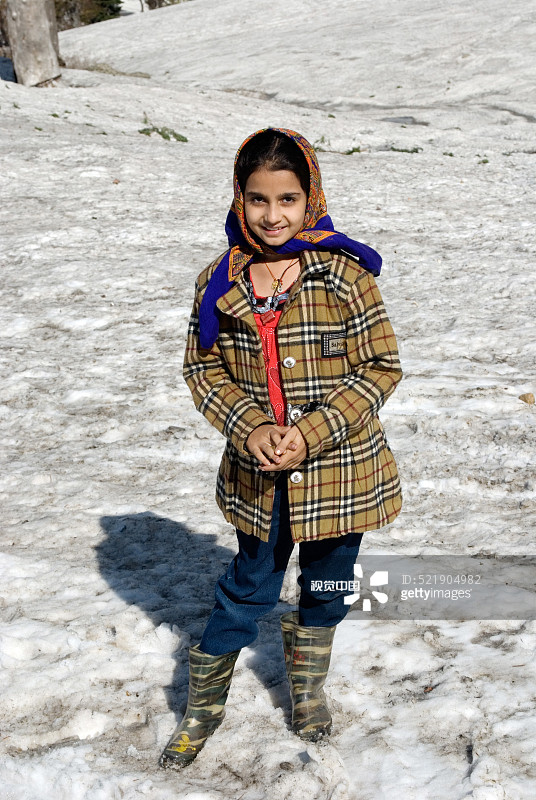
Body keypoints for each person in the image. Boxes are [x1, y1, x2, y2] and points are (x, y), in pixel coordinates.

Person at [159, 128, 403, 770]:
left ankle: (307, 693)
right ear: (239, 199)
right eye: (258, 199)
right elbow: (201, 371)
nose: (273, 216)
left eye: (288, 199)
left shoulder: (344, 275)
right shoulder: (218, 281)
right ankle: (201, 710)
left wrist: (313, 430)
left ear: (311, 196)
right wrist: (249, 427)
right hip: (258, 480)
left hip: (339, 475)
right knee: (248, 589)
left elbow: (381, 365)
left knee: (327, 584)